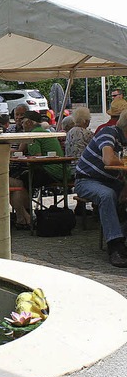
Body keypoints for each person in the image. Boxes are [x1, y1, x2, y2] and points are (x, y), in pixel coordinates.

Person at [75, 109, 127, 267]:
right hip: (86, 180)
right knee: (107, 195)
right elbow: (108, 159)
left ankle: (121, 236)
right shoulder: (108, 132)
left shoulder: (124, 141)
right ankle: (115, 247)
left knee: (113, 193)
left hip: (111, 181)